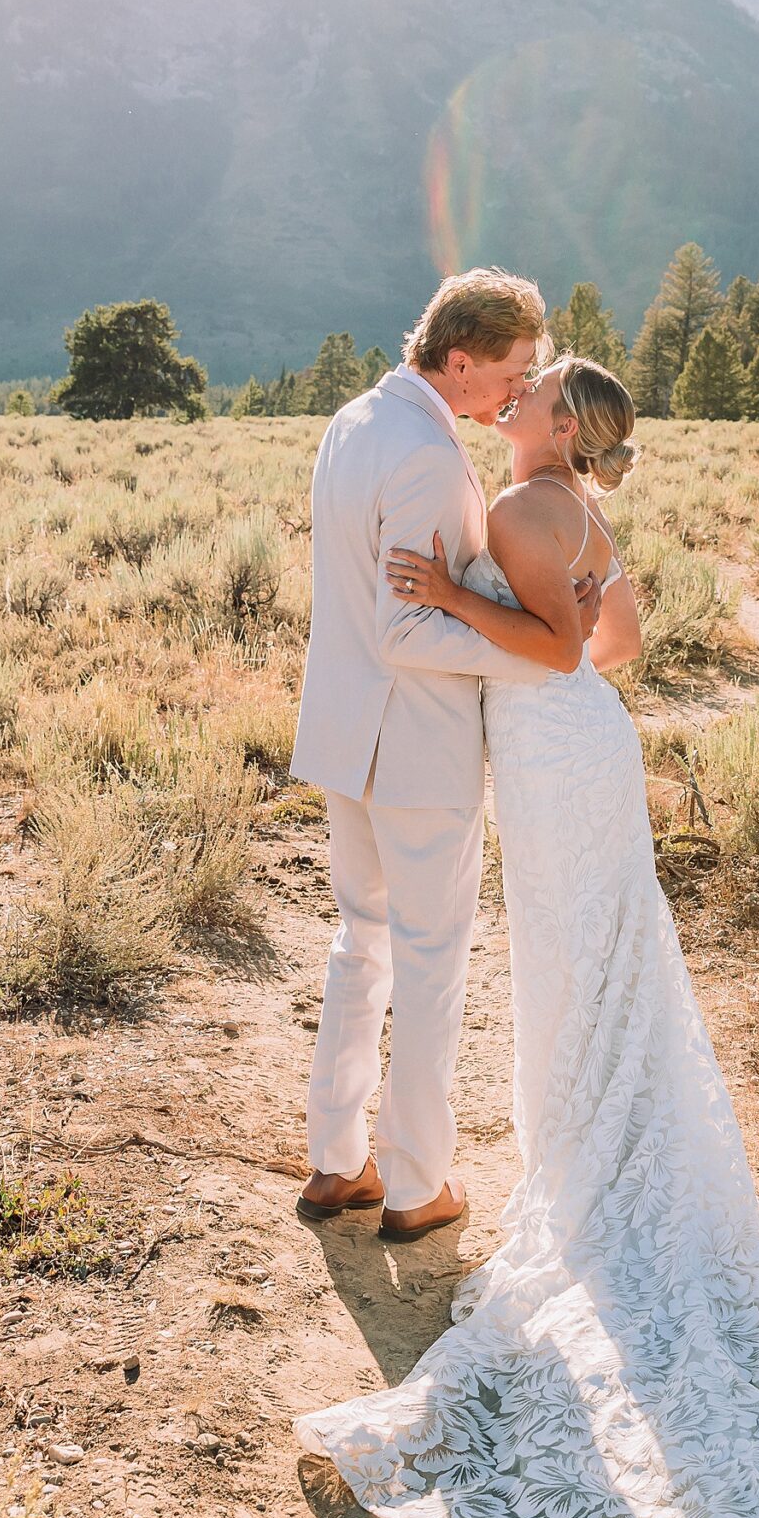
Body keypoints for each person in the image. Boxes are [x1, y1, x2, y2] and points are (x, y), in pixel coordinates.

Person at [296, 353, 759, 1518]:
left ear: (558, 419)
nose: (507, 397)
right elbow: (619, 640)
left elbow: (561, 650)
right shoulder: (574, 508)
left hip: (557, 763)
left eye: (528, 386)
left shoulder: (517, 506)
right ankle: (624, 1159)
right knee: (612, 966)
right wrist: (507, 628)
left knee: (577, 977)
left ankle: (597, 1180)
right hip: (585, 756)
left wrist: (447, 602)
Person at [290, 267, 595, 1243]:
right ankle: (418, 1185)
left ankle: (337, 1163)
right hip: (413, 748)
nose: (517, 390)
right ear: (458, 361)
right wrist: (529, 647)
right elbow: (404, 630)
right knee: (427, 964)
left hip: (346, 737)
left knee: (359, 946)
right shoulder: (425, 453)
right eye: (509, 371)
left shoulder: (351, 422)